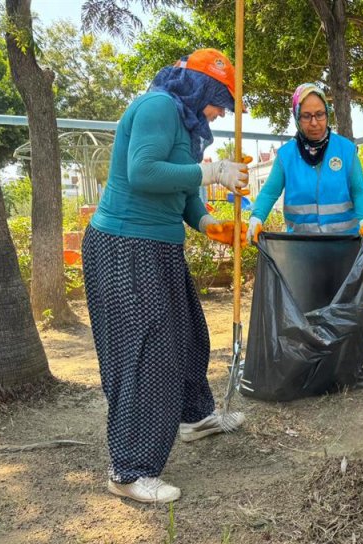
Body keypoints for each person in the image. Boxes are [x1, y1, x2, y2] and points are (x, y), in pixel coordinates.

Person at [82, 48, 251, 504]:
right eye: (220, 100)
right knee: (146, 355)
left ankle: (195, 416)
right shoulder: (158, 106)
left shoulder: (188, 125)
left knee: (188, 335)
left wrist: (209, 224)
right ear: (200, 88)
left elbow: (184, 192)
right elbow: (144, 172)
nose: (219, 113)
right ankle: (128, 469)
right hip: (124, 245)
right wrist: (212, 171)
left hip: (159, 246)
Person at [247, 83, 363, 247]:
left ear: (327, 114)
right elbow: (269, 193)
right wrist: (256, 218)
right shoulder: (286, 156)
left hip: (345, 247)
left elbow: (359, 191)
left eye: (320, 114)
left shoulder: (346, 150)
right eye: (306, 116)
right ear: (297, 118)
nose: (314, 122)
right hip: (302, 250)